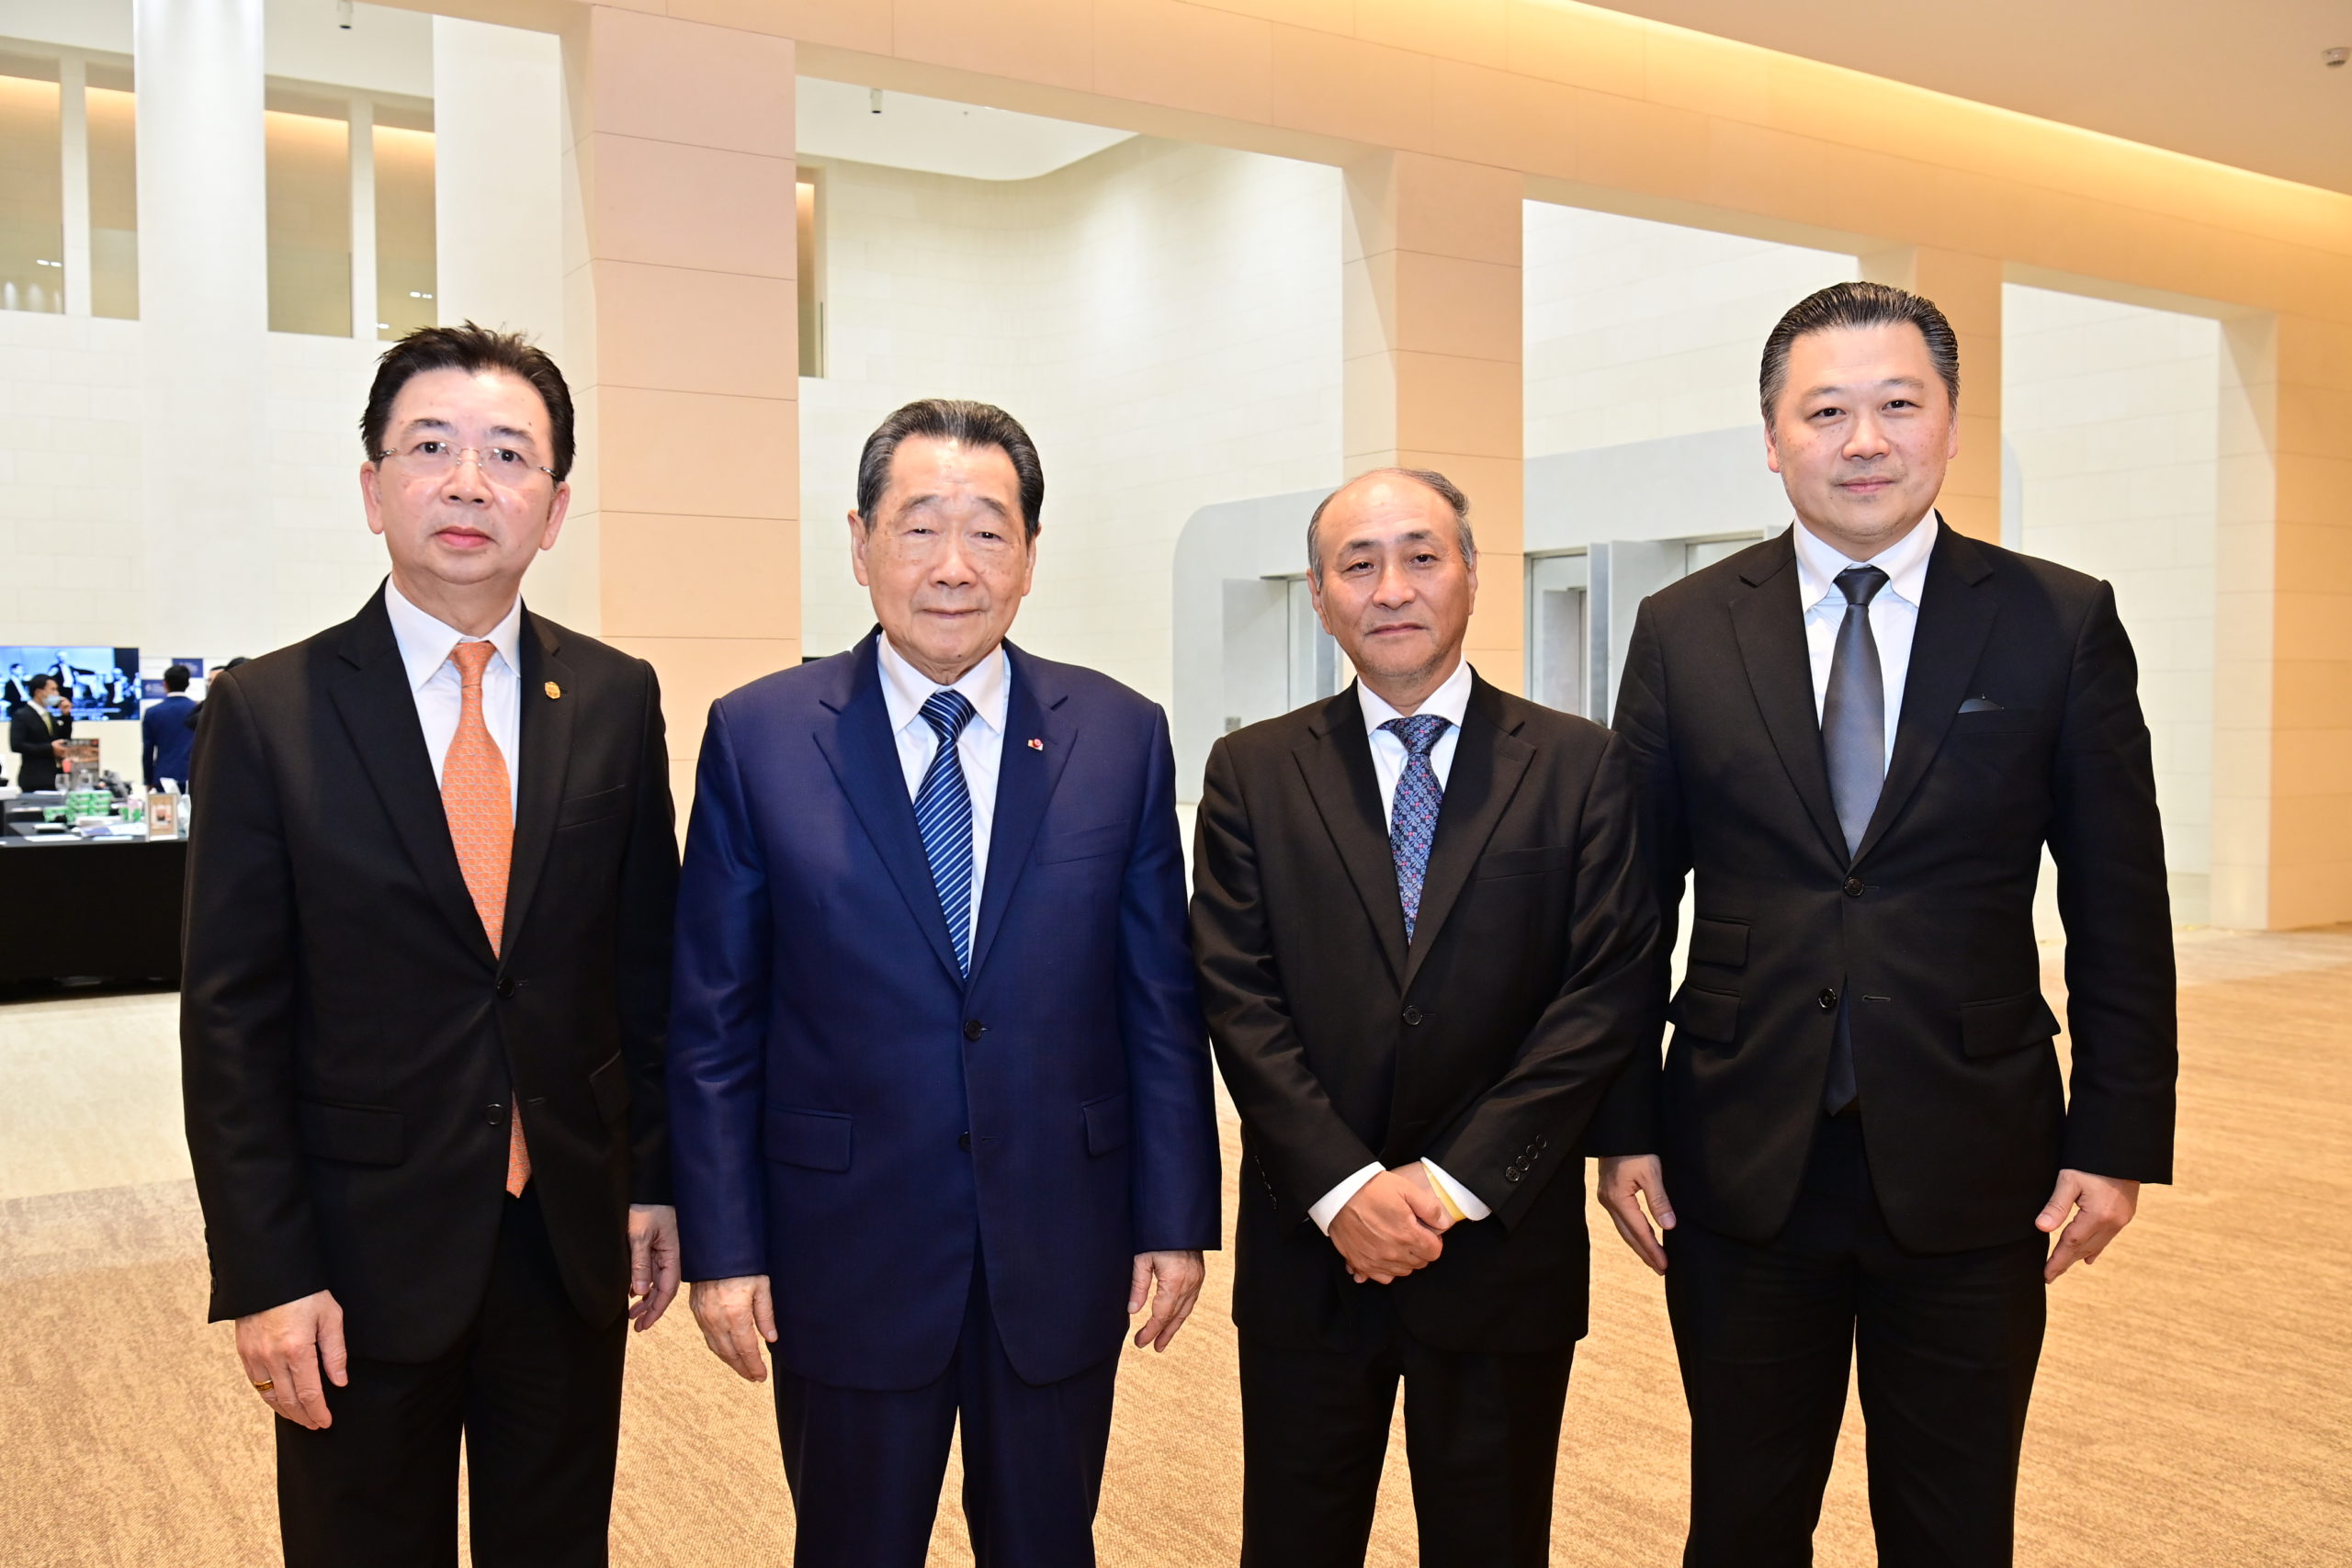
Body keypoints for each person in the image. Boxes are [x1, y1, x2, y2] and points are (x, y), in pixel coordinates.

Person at [1590, 281, 2178, 1567]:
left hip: (1976, 1156)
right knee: (1743, 1520)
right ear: (1772, 437)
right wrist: (1621, 1121)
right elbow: (1628, 904)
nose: (1864, 440)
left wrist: (2118, 1134)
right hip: (1737, 1153)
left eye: (1898, 405)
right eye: (1826, 412)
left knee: (1953, 1525)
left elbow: (2120, 901)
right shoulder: (1683, 628)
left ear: (1950, 424)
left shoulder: (2057, 621)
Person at [668, 398, 1221, 1568]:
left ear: (1030, 555)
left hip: (1059, 1239)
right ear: (859, 543)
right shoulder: (760, 735)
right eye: (919, 528)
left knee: (1046, 1546)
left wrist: (1174, 1218)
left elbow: (1159, 1005)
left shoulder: (1119, 735)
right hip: (843, 1246)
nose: (953, 566)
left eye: (987, 531)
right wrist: (724, 1245)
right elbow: (715, 1022)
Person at [180, 322, 682, 1568]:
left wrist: (656, 1180)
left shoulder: (614, 698)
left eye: (509, 454)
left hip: (562, 1241)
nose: (469, 482)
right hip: (357, 1253)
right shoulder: (268, 711)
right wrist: (266, 1268)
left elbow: (644, 974)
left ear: (553, 508)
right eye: (431, 447)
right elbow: (232, 1022)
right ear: (373, 488)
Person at [1191, 468, 1659, 1568]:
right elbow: (1236, 992)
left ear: (1472, 575)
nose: (1391, 588)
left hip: (1500, 1241)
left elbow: (1603, 991)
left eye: (1420, 556)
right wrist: (1345, 1188)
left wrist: (1448, 1188)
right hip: (1312, 1244)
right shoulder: (1253, 771)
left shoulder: (1578, 763)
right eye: (1357, 565)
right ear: (1318, 595)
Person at [141, 663, 200, 789]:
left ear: (165, 684)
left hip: (163, 777)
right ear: (188, 684)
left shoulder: (152, 712)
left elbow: (148, 750)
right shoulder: (199, 710)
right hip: (195, 776)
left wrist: (148, 780)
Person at [10, 672, 71, 791]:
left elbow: (62, 739)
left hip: (55, 776)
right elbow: (16, 745)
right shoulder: (22, 715)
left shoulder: (49, 716)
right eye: (53, 689)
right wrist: (50, 748)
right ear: (38, 692)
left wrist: (66, 716)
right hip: (35, 778)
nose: (57, 694)